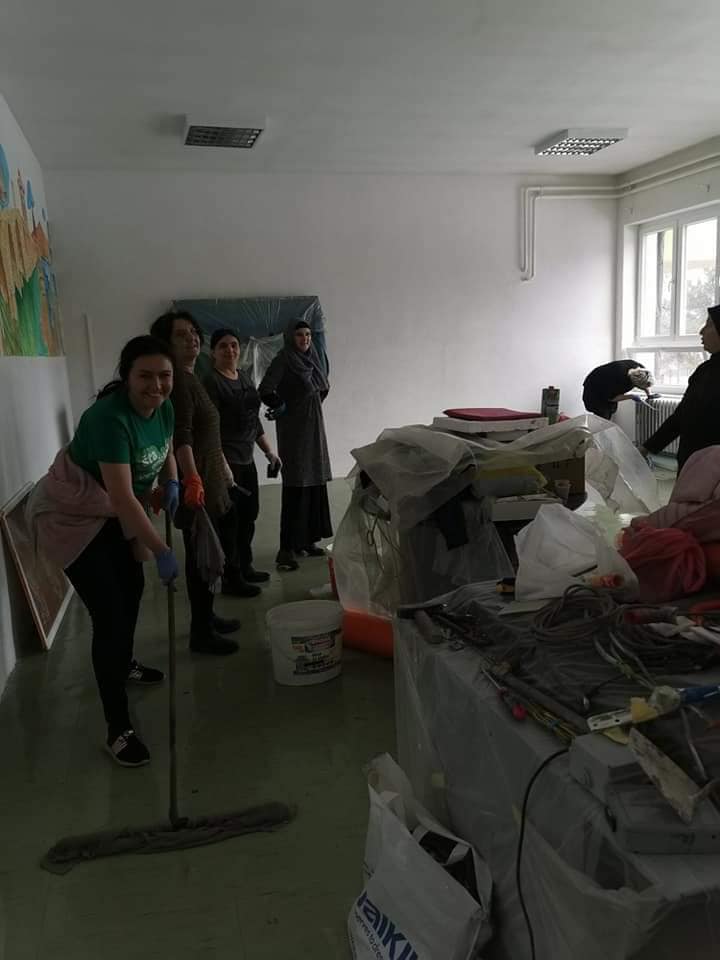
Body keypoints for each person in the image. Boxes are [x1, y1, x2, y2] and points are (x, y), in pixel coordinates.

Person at [28, 336, 180, 767]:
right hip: (71, 514)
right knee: (109, 614)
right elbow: (123, 497)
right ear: (126, 376)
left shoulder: (164, 406)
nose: (156, 385)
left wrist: (171, 480)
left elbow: (166, 449)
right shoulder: (108, 419)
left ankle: (124, 663)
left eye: (164, 376)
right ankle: (118, 728)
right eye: (145, 376)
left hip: (111, 509)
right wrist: (161, 549)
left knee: (131, 589)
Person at [150, 310, 245, 656]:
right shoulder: (178, 383)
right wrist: (191, 479)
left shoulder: (191, 377)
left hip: (209, 480)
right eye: (181, 335)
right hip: (196, 485)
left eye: (193, 332)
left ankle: (207, 618)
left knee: (206, 553)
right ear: (165, 344)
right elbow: (182, 437)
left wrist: (221, 471)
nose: (191, 338)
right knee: (200, 557)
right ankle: (201, 632)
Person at [204, 328, 281, 585]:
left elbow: (253, 421)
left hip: (247, 460)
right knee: (230, 520)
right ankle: (231, 576)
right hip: (227, 462)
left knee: (249, 515)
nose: (230, 350)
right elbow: (209, 428)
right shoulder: (211, 382)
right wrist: (221, 465)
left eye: (234, 345)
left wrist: (269, 451)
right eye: (223, 346)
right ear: (213, 352)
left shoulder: (245, 378)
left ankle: (245, 566)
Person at [259, 319, 332, 571]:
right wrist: (283, 406)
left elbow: (322, 387)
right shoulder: (284, 360)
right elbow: (265, 390)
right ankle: (286, 549)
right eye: (300, 335)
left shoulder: (313, 359)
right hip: (295, 432)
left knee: (314, 483)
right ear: (290, 337)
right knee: (296, 486)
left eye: (308, 335)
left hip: (314, 428)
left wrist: (311, 403)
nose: (305, 339)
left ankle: (307, 541)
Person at [641, 305, 720, 473]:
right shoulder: (704, 370)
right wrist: (648, 447)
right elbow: (682, 415)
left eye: (709, 325)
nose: (701, 331)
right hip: (690, 460)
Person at [582, 360, 654, 421]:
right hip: (594, 390)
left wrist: (649, 394)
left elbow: (644, 382)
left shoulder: (640, 369)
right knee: (603, 418)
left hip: (607, 387)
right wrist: (631, 396)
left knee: (611, 411)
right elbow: (611, 398)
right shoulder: (619, 380)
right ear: (634, 382)